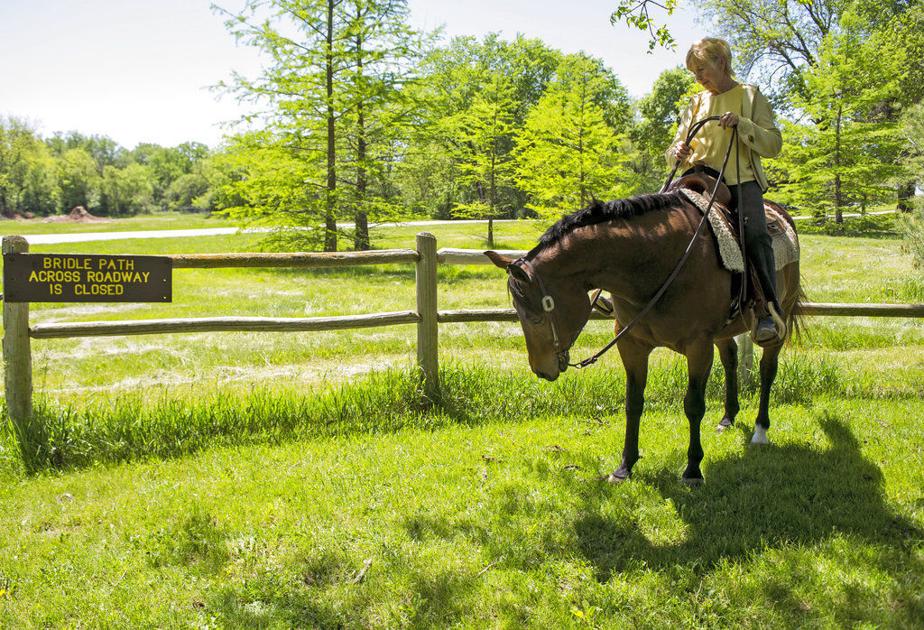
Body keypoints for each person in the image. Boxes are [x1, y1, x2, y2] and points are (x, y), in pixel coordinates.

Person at [667, 37, 783, 343]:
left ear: (721, 62)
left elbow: (773, 144)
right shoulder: (695, 103)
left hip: (739, 183)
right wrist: (676, 151)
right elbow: (676, 146)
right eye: (694, 72)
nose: (698, 77)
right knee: (657, 221)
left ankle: (766, 310)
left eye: (702, 69)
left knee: (755, 233)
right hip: (696, 179)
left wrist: (743, 125)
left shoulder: (749, 95)